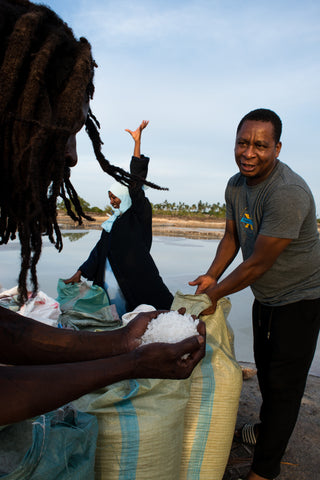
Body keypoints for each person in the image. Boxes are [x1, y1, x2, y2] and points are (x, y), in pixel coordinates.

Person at [0, 0, 206, 426]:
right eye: (63, 130)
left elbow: (8, 332)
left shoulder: (137, 213)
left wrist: (122, 342)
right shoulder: (111, 226)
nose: (74, 158)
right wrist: (128, 360)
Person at [189, 108, 320, 480]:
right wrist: (211, 277)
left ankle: (264, 470)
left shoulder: (287, 192)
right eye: (243, 143)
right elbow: (232, 238)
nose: (249, 152)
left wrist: (213, 297)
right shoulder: (235, 185)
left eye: (260, 146)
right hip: (266, 298)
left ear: (277, 148)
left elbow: (257, 263)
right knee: (266, 374)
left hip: (302, 299)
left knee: (285, 388)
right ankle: (266, 431)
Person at [64, 120, 173, 316]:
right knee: (114, 324)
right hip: (109, 283)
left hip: (135, 282)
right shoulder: (113, 222)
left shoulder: (138, 214)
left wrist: (137, 144)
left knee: (142, 317)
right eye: (110, 198)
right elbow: (99, 251)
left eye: (114, 197)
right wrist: (80, 272)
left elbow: (135, 184)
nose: (112, 201)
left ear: (123, 195)